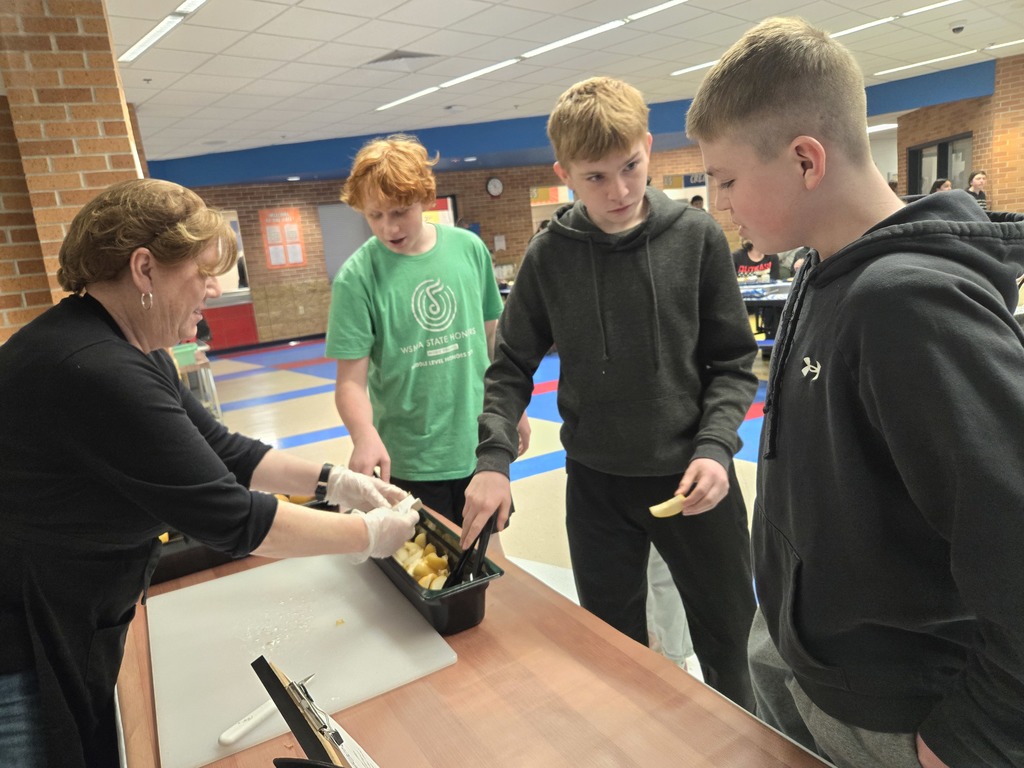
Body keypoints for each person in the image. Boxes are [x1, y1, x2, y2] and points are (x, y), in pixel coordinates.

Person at [687, 17, 1024, 768]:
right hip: (802, 653)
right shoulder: (821, 267)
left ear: (806, 160)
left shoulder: (907, 303)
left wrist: (977, 734)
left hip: (896, 707)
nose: (721, 202)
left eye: (729, 179)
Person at [0, 179, 419, 768]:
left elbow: (224, 449)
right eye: (202, 271)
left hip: (71, 609)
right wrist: (368, 536)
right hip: (19, 644)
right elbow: (231, 516)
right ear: (145, 269)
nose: (215, 289)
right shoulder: (94, 369)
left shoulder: (129, 348)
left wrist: (334, 482)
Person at [462, 76, 759, 711]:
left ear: (649, 145)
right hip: (597, 486)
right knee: (611, 655)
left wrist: (714, 447)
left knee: (730, 649)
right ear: (563, 172)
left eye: (631, 167)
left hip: (694, 482)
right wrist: (493, 463)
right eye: (596, 177)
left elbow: (735, 363)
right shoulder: (548, 258)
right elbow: (510, 367)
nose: (619, 191)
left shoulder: (698, 238)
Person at [327, 134, 528, 529]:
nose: (388, 227)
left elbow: (494, 341)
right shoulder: (356, 278)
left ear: (426, 198)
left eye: (400, 211)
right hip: (410, 458)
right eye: (375, 215)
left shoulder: (469, 249)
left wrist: (511, 410)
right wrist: (363, 434)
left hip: (480, 446)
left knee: (487, 558)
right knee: (428, 567)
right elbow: (350, 382)